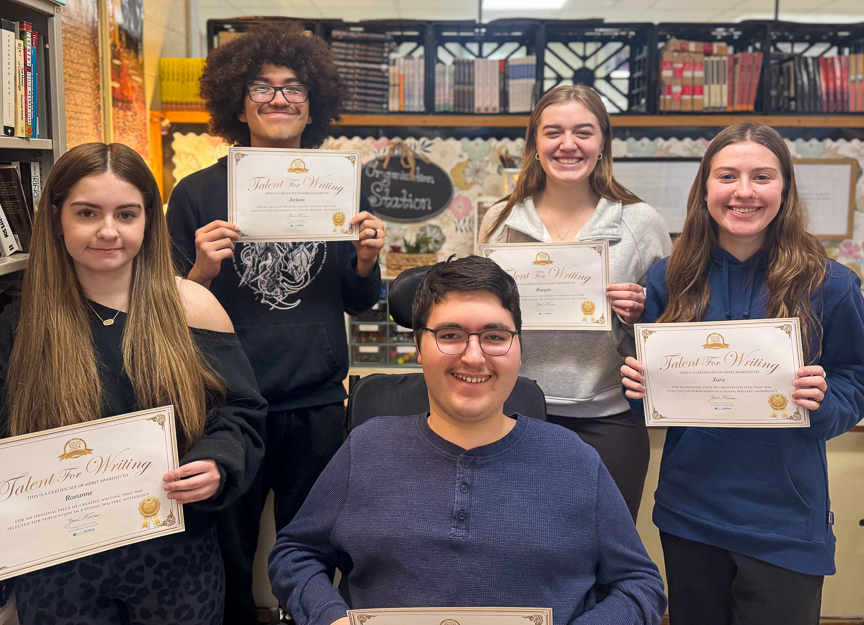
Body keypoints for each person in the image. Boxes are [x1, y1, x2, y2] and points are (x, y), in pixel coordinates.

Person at [269, 255, 667, 625]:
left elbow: (640, 585)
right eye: (451, 334)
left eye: (494, 336)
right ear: (419, 348)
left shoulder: (573, 459)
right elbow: (294, 555)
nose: (474, 356)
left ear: (518, 348)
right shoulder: (366, 448)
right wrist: (330, 616)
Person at [0, 142, 267, 625]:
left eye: (127, 213)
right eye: (87, 212)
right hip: (60, 568)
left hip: (174, 558)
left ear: (148, 222)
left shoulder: (192, 307)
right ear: (56, 219)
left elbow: (241, 414)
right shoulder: (21, 325)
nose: (108, 231)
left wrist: (218, 462)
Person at [165, 22, 385, 624]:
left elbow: (359, 303)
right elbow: (168, 314)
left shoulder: (336, 186)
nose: (279, 99)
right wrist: (202, 271)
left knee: (314, 551)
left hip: (314, 403)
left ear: (312, 103)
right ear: (239, 101)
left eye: (293, 88)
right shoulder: (194, 195)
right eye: (262, 87)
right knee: (226, 550)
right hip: (223, 405)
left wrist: (366, 261)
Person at [621, 122, 864, 625]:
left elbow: (855, 380)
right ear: (705, 187)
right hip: (689, 512)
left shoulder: (831, 283)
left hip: (785, 520)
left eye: (762, 176)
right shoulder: (668, 278)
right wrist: (639, 389)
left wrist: (825, 404)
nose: (744, 191)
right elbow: (651, 395)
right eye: (728, 176)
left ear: (785, 189)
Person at [478, 85, 671, 521]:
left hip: (609, 418)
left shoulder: (640, 222)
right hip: (512, 413)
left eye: (583, 132)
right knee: (513, 545)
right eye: (554, 132)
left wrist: (644, 313)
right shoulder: (499, 221)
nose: (568, 145)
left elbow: (673, 328)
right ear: (535, 143)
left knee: (605, 554)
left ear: (603, 143)